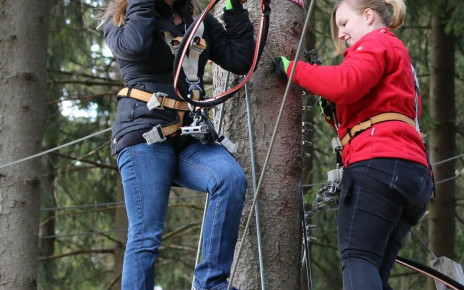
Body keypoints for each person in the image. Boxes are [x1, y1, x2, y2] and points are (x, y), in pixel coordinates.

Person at [271, 0, 432, 288]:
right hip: (413, 174)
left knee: (358, 258)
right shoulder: (397, 54)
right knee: (374, 270)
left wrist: (293, 69)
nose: (342, 34)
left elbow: (345, 82)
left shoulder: (376, 43)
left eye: (344, 23)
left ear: (368, 16)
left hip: (380, 164)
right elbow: (373, 108)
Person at [101, 0, 254, 288]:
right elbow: (135, 46)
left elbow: (238, 58)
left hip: (186, 136)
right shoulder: (120, 18)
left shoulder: (196, 19)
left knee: (229, 178)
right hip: (143, 135)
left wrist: (234, 8)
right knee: (146, 235)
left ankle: (210, 282)